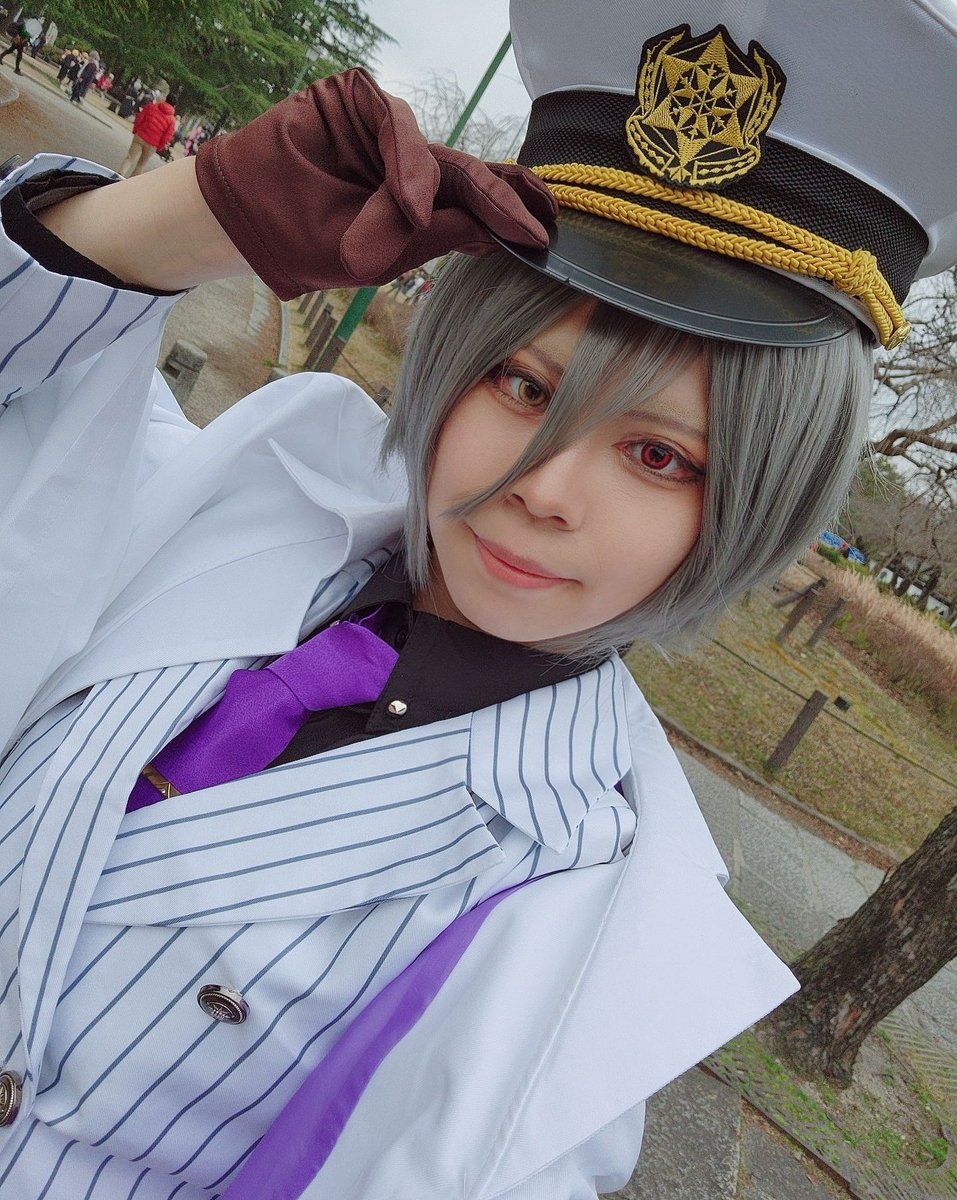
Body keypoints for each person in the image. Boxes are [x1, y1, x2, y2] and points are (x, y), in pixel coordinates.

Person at [0, 0, 953, 1196]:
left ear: (758, 501)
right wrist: (193, 217)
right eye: (522, 385)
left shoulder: (573, 929)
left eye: (660, 455)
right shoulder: (231, 496)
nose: (544, 488)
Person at [118, 88, 178, 176]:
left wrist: (135, 130)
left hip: (140, 136)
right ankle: (131, 182)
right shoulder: (172, 120)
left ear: (165, 99)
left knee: (130, 158)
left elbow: (140, 118)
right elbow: (167, 136)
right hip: (153, 144)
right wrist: (159, 147)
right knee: (141, 165)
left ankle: (119, 175)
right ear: (174, 106)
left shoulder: (151, 107)